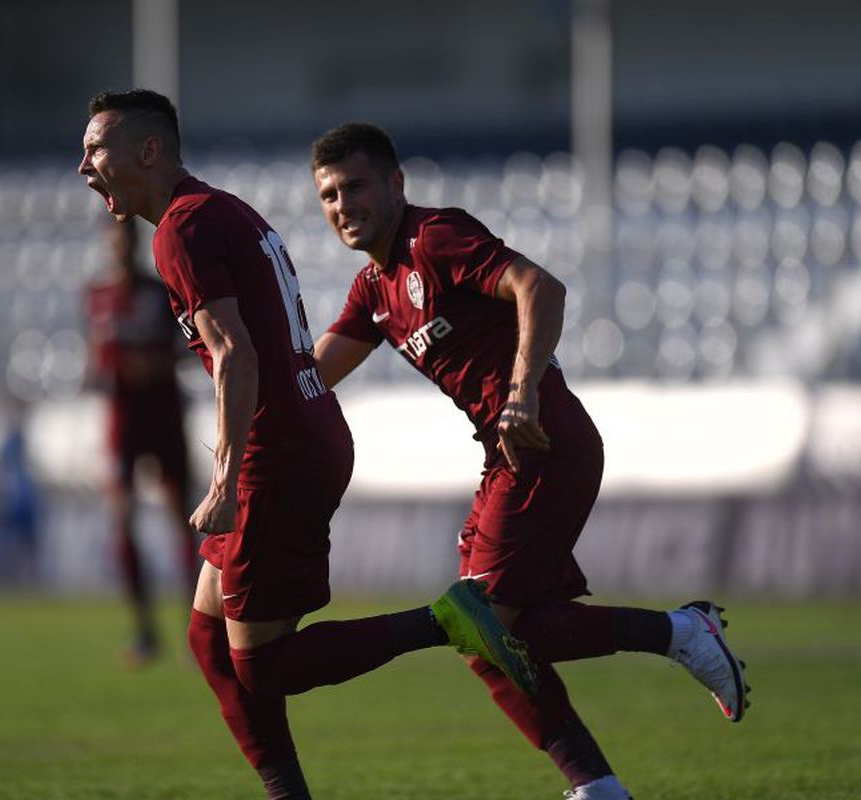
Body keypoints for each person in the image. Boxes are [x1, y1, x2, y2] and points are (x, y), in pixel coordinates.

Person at [80, 89, 536, 799]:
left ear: (147, 150)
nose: (84, 167)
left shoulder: (180, 229)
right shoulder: (218, 209)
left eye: (96, 150)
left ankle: (447, 620)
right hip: (301, 433)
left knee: (269, 667)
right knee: (209, 644)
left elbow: (235, 353)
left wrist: (226, 480)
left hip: (277, 454)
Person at [308, 122, 750, 800]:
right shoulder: (375, 289)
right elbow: (312, 377)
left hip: (544, 441)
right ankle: (611, 762)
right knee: (500, 636)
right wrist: (241, 403)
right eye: (330, 195)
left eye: (356, 186)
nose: (343, 206)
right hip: (505, 457)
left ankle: (674, 647)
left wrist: (523, 396)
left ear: (396, 184)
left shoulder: (435, 238)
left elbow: (540, 288)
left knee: (479, 623)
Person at [85, 218, 197, 663]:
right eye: (114, 239)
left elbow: (190, 343)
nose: (120, 247)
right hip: (121, 420)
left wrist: (155, 364)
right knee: (122, 518)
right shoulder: (96, 295)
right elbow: (95, 354)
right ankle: (144, 630)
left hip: (164, 413)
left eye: (127, 238)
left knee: (182, 520)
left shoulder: (159, 291)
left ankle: (196, 628)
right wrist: (97, 372)